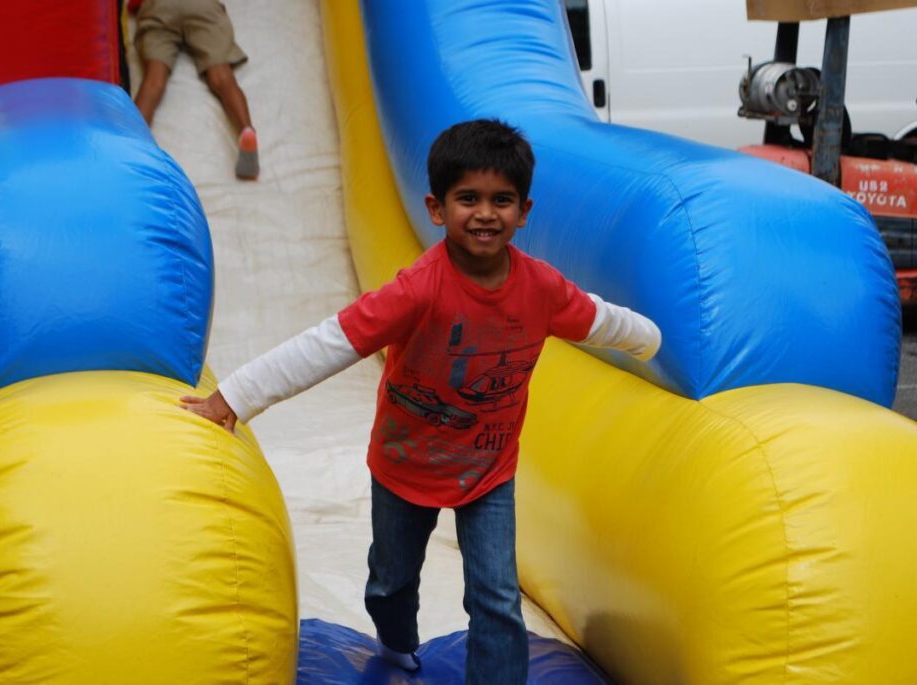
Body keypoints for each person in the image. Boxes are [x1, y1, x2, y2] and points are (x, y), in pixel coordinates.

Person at [182, 119, 661, 683]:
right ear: (436, 208)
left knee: (497, 597)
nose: (485, 213)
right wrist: (236, 396)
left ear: (524, 211)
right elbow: (329, 343)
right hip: (404, 463)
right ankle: (397, 643)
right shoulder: (417, 289)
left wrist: (651, 339)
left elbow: (597, 318)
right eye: (468, 199)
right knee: (391, 581)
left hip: (488, 470)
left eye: (501, 200)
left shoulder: (541, 288)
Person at [129, 0, 259, 179]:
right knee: (222, 77)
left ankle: (131, 147)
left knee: (153, 81)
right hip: (202, 6)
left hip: (160, 7)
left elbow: (133, 5)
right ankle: (246, 129)